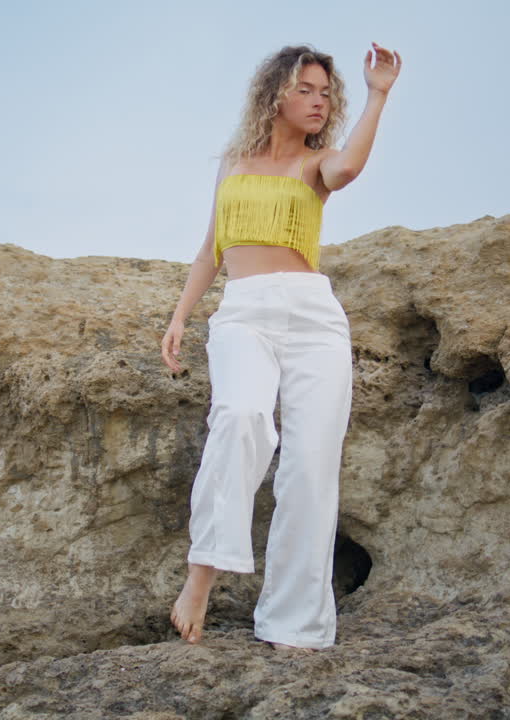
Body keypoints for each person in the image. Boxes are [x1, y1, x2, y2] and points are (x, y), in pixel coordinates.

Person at [161, 42, 401, 651]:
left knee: (310, 467)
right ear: (275, 95)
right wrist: (180, 317)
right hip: (244, 312)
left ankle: (295, 627)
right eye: (305, 90)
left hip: (314, 317)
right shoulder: (234, 164)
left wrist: (377, 95)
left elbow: (348, 170)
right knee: (240, 417)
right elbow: (210, 250)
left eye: (326, 93)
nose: (319, 102)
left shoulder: (318, 164)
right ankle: (200, 578)